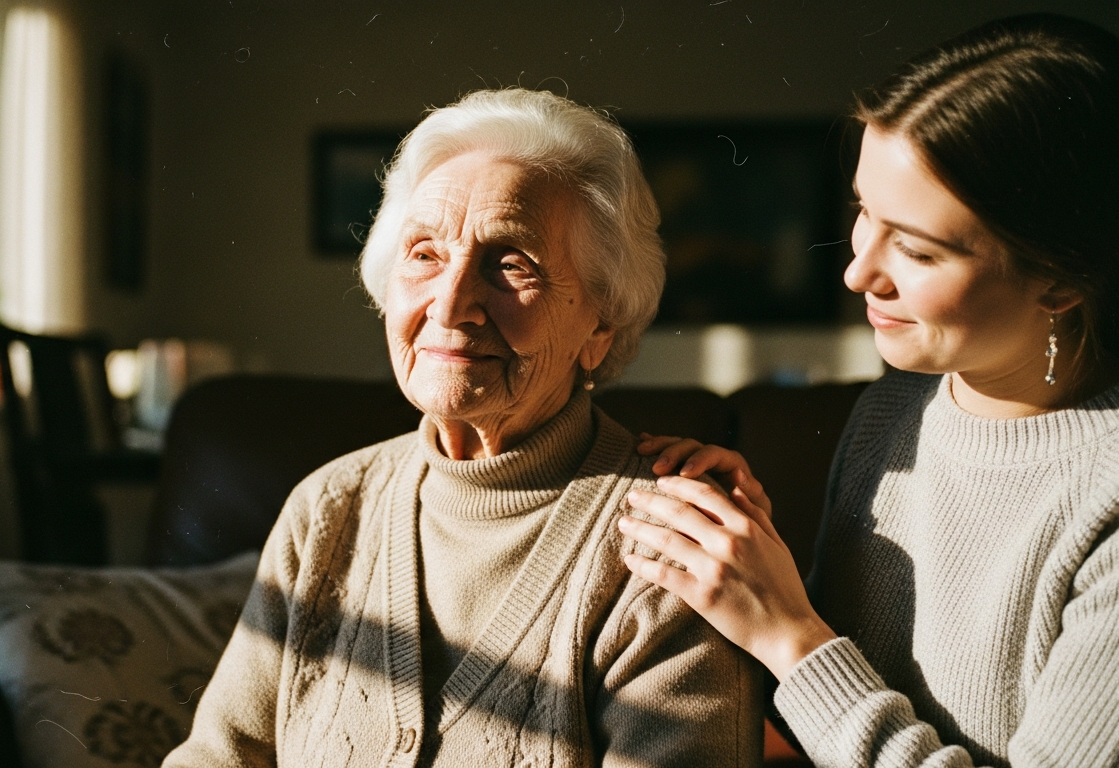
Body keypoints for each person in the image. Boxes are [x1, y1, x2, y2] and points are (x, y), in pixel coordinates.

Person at [618, 14, 1119, 767]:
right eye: (862, 214)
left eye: (915, 248)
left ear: (1061, 282)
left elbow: (814, 664)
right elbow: (826, 708)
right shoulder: (896, 409)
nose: (858, 273)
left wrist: (791, 632)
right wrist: (747, 555)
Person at [163, 88, 761, 768]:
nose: (451, 304)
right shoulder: (327, 509)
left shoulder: (667, 552)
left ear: (600, 325)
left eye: (510, 263)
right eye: (424, 254)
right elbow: (216, 756)